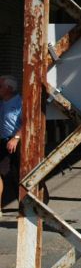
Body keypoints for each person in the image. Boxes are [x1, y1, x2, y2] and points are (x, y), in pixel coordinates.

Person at [0, 74, 22, 211]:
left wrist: (16, 138)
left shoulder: (20, 102)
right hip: (2, 141)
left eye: (0, 86)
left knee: (18, 174)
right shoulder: (2, 103)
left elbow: (28, 122)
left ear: (9, 88)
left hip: (15, 141)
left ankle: (32, 202)